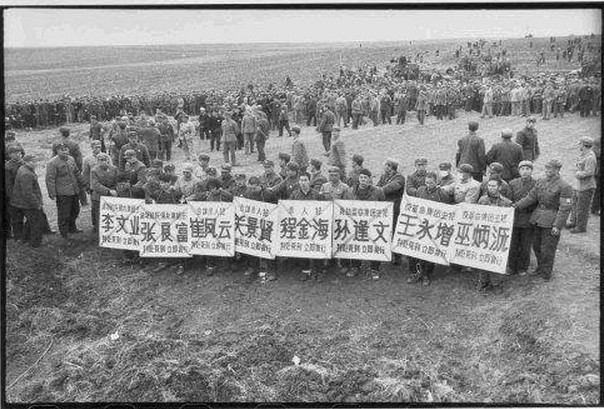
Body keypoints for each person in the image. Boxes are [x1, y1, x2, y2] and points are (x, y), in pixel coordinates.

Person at [513, 159, 573, 281]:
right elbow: (531, 197)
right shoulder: (541, 181)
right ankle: (540, 268)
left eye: (549, 169)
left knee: (547, 249)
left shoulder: (564, 186)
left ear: (557, 170)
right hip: (537, 219)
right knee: (536, 246)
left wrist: (557, 225)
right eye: (546, 168)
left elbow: (564, 208)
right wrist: (516, 205)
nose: (547, 171)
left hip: (551, 221)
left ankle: (546, 274)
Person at [406, 171, 450, 286]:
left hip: (433, 227)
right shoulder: (420, 190)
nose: (428, 185)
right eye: (426, 182)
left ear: (437, 182)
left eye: (431, 183)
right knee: (413, 249)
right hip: (419, 225)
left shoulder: (442, 194)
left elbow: (447, 211)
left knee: (428, 252)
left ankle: (426, 274)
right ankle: (413, 273)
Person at [345, 168, 385, 280]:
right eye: (361, 177)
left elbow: (383, 205)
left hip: (372, 223)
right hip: (356, 223)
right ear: (358, 178)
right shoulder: (350, 191)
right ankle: (355, 266)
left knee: (374, 244)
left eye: (365, 178)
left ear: (370, 179)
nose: (363, 180)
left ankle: (375, 269)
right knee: (355, 243)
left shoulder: (378, 191)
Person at [475, 178, 513, 291]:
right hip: (484, 234)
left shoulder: (506, 203)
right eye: (489, 185)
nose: (491, 188)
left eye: (494, 186)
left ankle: (496, 283)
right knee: (483, 258)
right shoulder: (482, 200)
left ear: (499, 187)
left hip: (498, 236)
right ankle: (483, 281)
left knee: (496, 259)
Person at [289, 172, 325, 281]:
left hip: (314, 226)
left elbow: (323, 210)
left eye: (305, 180)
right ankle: (305, 271)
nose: (303, 183)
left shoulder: (317, 195)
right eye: (301, 180)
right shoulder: (294, 195)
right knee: (303, 248)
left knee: (316, 248)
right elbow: (289, 209)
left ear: (310, 182)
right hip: (301, 226)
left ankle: (318, 271)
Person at [46, 143, 84, 240]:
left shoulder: (71, 159)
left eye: (66, 149)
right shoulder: (52, 163)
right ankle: (64, 233)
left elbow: (76, 172)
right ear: (57, 151)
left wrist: (84, 182)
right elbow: (50, 179)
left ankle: (72, 228)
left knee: (75, 210)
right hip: (62, 193)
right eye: (61, 149)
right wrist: (52, 193)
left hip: (74, 190)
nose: (64, 151)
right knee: (64, 213)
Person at [508, 160, 537, 276]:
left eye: (528, 169)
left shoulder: (536, 183)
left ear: (531, 171)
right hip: (514, 218)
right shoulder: (513, 183)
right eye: (522, 169)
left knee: (525, 245)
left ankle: (523, 267)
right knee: (513, 244)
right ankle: (511, 266)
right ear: (519, 171)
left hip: (528, 219)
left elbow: (536, 200)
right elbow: (509, 200)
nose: (525, 172)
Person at [10, 155, 45, 247]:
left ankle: (24, 239)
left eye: (35, 161)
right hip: (28, 203)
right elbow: (28, 193)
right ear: (25, 162)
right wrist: (37, 204)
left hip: (23, 202)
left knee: (30, 222)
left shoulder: (23, 168)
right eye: (31, 161)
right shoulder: (27, 174)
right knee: (36, 223)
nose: (34, 163)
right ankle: (35, 243)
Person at [377, 158, 406, 265]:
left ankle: (397, 256)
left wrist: (377, 190)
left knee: (394, 231)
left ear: (391, 167)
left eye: (386, 165)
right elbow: (378, 186)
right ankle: (386, 252)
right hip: (385, 208)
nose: (385, 167)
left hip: (394, 209)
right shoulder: (384, 176)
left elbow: (388, 188)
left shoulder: (399, 178)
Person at [566, 136, 597, 233]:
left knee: (582, 208)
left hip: (586, 187)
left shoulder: (590, 157)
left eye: (580, 144)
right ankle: (573, 222)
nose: (579, 146)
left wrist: (579, 174)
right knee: (575, 205)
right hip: (579, 186)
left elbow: (590, 172)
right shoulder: (584, 155)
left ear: (584, 145)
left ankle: (581, 227)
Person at [89, 152, 118, 233]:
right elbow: (96, 185)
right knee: (99, 216)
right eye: (101, 160)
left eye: (105, 160)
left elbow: (116, 181)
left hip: (112, 196)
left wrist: (116, 191)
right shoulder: (94, 171)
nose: (103, 162)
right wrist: (108, 191)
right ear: (98, 161)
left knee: (111, 215)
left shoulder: (114, 169)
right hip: (98, 196)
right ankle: (99, 232)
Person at [5, 145, 24, 240]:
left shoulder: (24, 163)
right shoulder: (8, 167)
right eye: (15, 153)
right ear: (10, 155)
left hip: (26, 193)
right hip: (15, 196)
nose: (18, 155)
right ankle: (18, 236)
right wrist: (13, 198)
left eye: (19, 152)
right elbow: (8, 185)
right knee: (17, 218)